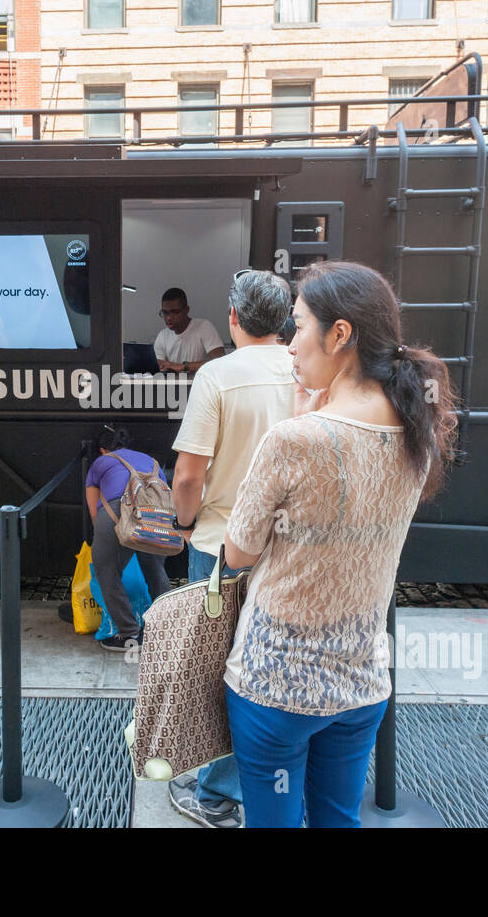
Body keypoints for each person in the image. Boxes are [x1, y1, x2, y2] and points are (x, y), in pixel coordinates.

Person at [220, 261, 458, 828]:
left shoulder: (293, 440)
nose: (290, 345)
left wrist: (307, 421)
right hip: (363, 682)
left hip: (276, 683)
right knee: (337, 820)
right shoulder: (416, 432)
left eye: (298, 327)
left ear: (340, 334)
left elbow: (237, 553)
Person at [166, 268, 294, 828]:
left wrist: (184, 524)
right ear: (286, 321)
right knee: (272, 666)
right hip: (289, 549)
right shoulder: (307, 369)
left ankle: (219, 792)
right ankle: (273, 782)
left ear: (235, 317)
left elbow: (189, 474)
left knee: (216, 667)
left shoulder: (216, 376)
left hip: (219, 547)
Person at [84, 425, 173, 653]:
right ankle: (164, 630)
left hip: (117, 510)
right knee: (155, 571)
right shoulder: (151, 461)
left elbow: (95, 510)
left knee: (106, 571)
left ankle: (128, 633)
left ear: (103, 450)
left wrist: (106, 539)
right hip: (155, 514)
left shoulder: (101, 462)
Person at [154, 288, 224, 374]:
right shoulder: (162, 336)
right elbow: (159, 366)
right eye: (165, 312)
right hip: (172, 386)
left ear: (186, 310)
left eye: (174, 312)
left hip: (199, 385)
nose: (168, 318)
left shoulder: (204, 327)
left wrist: (184, 366)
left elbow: (220, 361)